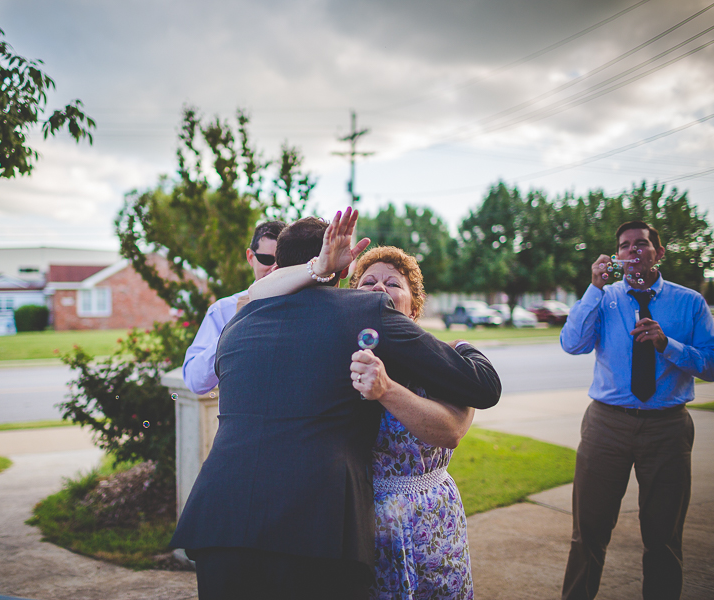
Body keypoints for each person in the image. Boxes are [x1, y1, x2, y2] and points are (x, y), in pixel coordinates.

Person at [171, 209, 501, 600]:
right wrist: (461, 346)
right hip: (316, 530)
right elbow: (483, 387)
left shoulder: (235, 327)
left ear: (279, 265)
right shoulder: (362, 312)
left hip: (220, 521)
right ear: (344, 271)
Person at [250, 226, 478, 598]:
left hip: (431, 518)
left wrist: (386, 390)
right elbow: (256, 294)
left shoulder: (438, 356)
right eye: (368, 282)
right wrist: (319, 267)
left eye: (393, 283)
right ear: (352, 301)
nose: (378, 288)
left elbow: (452, 430)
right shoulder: (336, 357)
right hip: (359, 519)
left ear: (414, 306)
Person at [559, 221, 714, 600]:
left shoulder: (689, 303)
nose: (632, 250)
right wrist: (594, 288)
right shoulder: (604, 298)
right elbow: (572, 344)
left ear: (658, 253)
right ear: (616, 256)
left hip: (668, 428)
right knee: (588, 533)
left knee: (663, 537)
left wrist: (668, 344)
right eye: (624, 245)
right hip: (606, 425)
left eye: (641, 244)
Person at [182, 220, 286, 395]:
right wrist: (234, 329)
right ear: (250, 257)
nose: (274, 268)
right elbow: (196, 382)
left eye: (282, 261)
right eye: (267, 259)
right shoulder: (223, 310)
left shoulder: (306, 305)